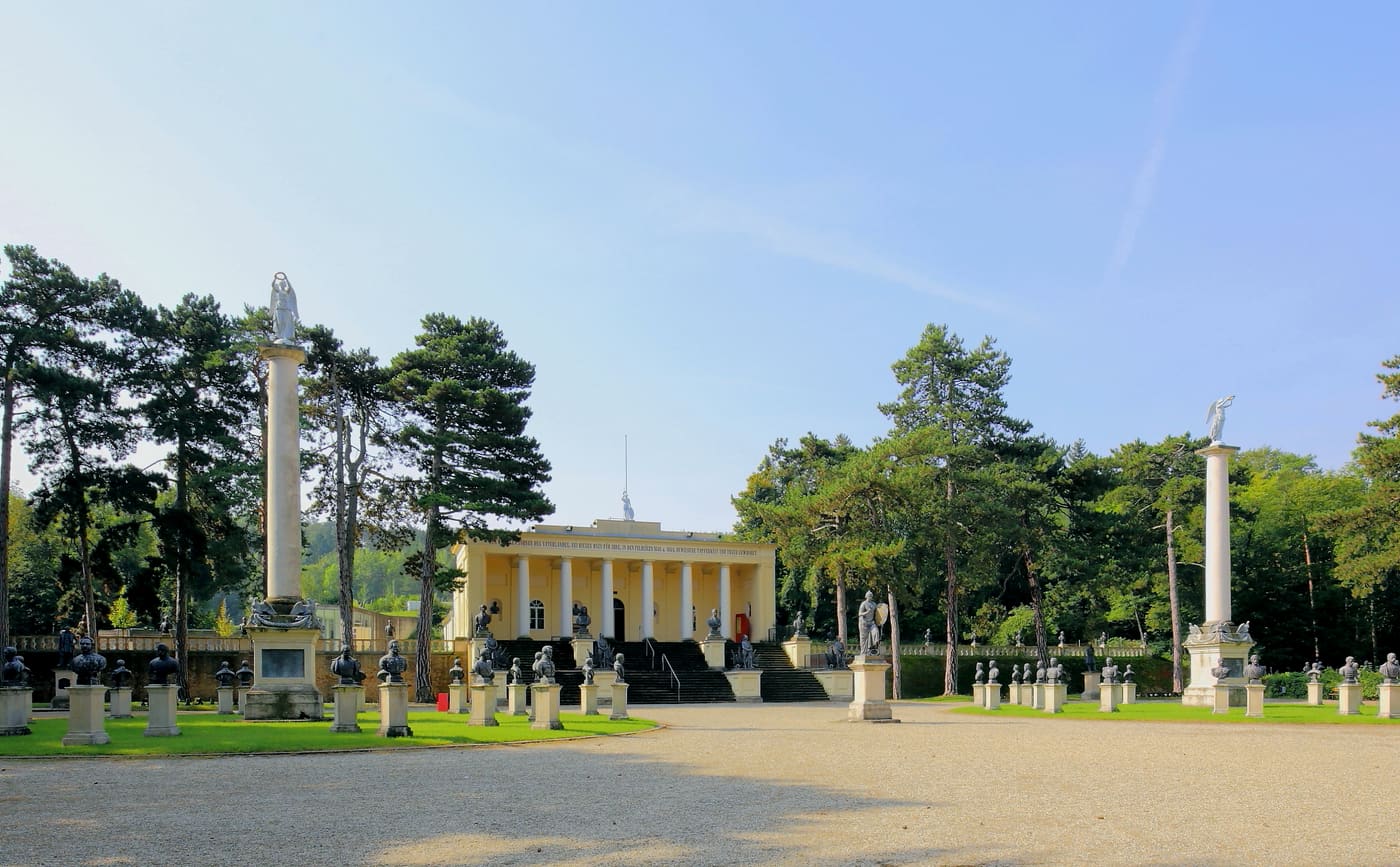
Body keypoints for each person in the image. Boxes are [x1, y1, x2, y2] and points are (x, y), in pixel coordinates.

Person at [269, 271, 298, 344]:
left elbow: (290, 288)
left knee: (286, 322)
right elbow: (272, 285)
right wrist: (275, 278)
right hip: (279, 308)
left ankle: (285, 336)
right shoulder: (278, 291)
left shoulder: (286, 291)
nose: (282, 285)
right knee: (280, 322)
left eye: (283, 284)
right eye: (281, 284)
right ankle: (280, 336)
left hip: (286, 309)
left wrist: (286, 279)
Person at [857, 590, 880, 656]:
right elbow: (860, 614)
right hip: (864, 623)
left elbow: (878, 613)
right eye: (869, 596)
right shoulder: (863, 604)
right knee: (864, 638)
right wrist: (867, 612)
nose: (870, 597)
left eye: (871, 596)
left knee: (876, 632)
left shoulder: (874, 604)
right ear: (866, 596)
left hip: (872, 622)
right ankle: (864, 652)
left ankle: (874, 647)